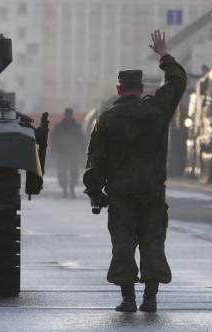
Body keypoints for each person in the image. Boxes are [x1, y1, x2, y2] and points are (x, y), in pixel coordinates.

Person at [84, 30, 187, 313]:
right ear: (141, 89)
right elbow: (178, 82)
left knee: (123, 244)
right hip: (152, 192)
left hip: (121, 194)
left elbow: (96, 160)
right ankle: (150, 299)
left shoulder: (107, 120)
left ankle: (128, 299)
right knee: (153, 242)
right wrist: (164, 55)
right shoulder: (157, 110)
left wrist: (95, 192)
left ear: (118, 89)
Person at [50, 108, 86, 197]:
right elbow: (54, 139)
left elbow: (81, 140)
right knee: (62, 172)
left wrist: (82, 150)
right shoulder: (59, 127)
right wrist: (54, 150)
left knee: (73, 172)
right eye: (67, 115)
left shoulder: (76, 127)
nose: (68, 116)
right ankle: (65, 189)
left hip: (72, 153)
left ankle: (71, 188)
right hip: (62, 152)